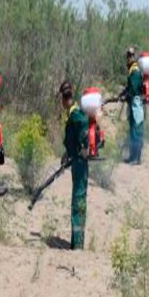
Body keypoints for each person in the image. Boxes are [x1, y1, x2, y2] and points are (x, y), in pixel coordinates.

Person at [59, 81, 89, 250]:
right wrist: (67, 153)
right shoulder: (73, 114)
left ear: (64, 100)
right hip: (76, 161)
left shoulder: (76, 115)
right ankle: (76, 242)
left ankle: (78, 244)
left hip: (80, 163)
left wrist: (84, 146)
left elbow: (83, 128)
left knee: (78, 200)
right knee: (77, 199)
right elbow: (72, 139)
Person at [116, 47, 146, 164]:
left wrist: (125, 96)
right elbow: (129, 88)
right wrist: (122, 93)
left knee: (136, 130)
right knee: (133, 130)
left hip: (136, 103)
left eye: (130, 56)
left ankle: (136, 158)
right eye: (128, 55)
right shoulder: (133, 71)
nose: (129, 58)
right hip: (133, 103)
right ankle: (133, 156)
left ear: (133, 57)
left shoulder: (135, 71)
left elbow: (133, 90)